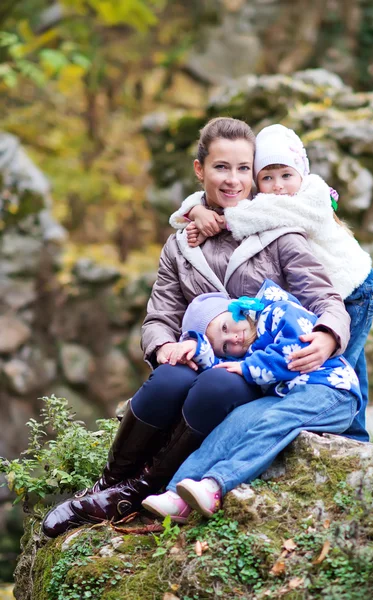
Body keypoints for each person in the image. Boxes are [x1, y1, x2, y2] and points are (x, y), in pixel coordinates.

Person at [41, 117, 351, 538]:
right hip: (199, 351)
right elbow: (160, 315)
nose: (234, 180)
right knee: (168, 380)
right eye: (222, 167)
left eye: (245, 169)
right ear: (199, 170)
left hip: (259, 366)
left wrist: (328, 334)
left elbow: (326, 298)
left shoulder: (278, 233)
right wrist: (164, 346)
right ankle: (109, 484)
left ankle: (142, 489)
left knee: (215, 387)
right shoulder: (181, 245)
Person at [169, 124, 373, 441]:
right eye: (267, 178)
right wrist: (196, 209)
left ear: (302, 172)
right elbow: (226, 201)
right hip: (331, 289)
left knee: (336, 367)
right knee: (354, 360)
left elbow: (258, 213)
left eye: (286, 175)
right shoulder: (265, 202)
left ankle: (346, 437)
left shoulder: (312, 197)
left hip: (354, 291)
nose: (278, 186)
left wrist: (218, 220)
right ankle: (356, 435)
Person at [142, 280, 361, 522]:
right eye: (225, 345)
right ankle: (177, 495)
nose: (234, 339)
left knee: (276, 422)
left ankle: (215, 485)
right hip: (285, 395)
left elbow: (294, 352)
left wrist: (247, 367)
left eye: (226, 327)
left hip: (331, 390)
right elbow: (225, 365)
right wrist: (196, 348)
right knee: (234, 422)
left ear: (237, 309)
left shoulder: (279, 310)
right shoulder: (245, 349)